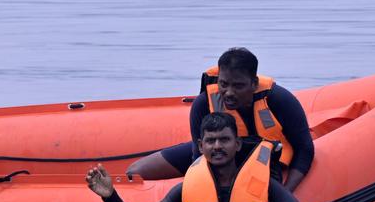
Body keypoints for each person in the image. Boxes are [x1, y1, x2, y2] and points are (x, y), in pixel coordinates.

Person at [87, 112, 317, 202]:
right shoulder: (186, 189)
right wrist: (110, 197)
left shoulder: (265, 186)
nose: (217, 146)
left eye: (224, 140)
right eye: (210, 141)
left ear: (237, 144)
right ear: (201, 145)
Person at [127, 47, 314, 192]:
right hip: (221, 154)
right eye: (224, 84)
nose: (229, 93)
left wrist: (287, 191)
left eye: (238, 86)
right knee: (135, 172)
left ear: (254, 83)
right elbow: (198, 156)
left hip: (266, 158)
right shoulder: (204, 104)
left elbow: (305, 149)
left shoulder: (279, 100)